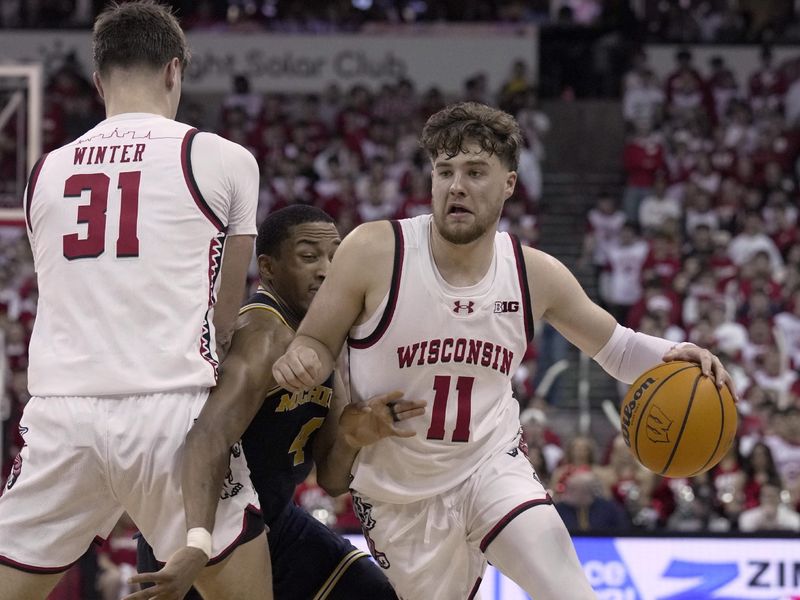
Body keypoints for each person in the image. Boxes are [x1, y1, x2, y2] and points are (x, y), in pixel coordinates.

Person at [272, 101, 737, 600]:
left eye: (475, 172)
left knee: (571, 591)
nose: (457, 185)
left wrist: (678, 351)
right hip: (398, 495)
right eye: (444, 171)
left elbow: (617, 348)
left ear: (509, 184)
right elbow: (318, 342)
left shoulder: (534, 272)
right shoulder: (374, 250)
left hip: (490, 465)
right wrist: (303, 357)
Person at [0, 3, 271, 599]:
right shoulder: (224, 158)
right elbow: (226, 309)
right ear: (175, 71)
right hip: (170, 414)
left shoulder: (43, 171)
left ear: (98, 81)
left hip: (62, 413)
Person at [132, 206, 425, 599]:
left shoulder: (321, 336)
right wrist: (197, 543)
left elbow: (333, 481)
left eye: (335, 257)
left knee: (371, 592)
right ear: (268, 268)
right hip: (207, 521)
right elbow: (207, 438)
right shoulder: (263, 334)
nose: (326, 269)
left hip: (274, 520)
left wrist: (357, 435)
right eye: (309, 257)